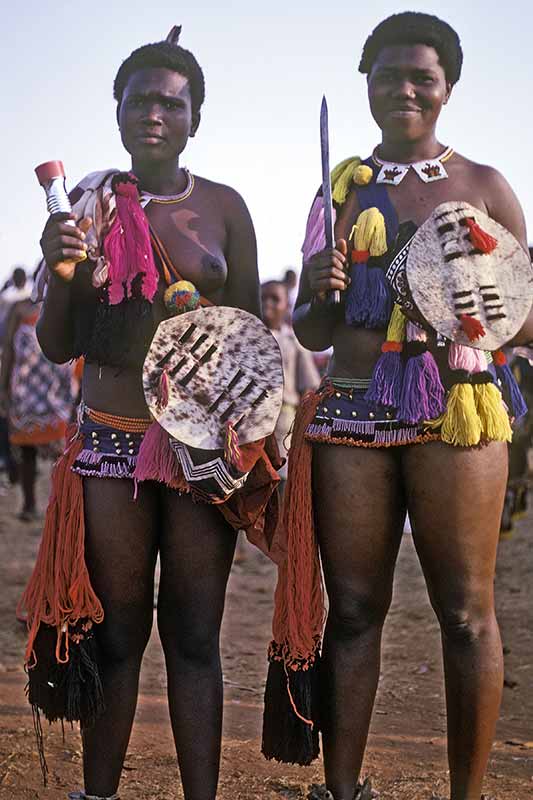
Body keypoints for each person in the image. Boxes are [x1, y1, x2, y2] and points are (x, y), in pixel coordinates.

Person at [262, 13, 533, 800]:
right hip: (351, 412)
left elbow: (530, 316)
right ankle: (340, 791)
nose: (404, 89)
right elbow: (313, 329)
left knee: (465, 615)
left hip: (459, 410)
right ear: (367, 85)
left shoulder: (482, 185)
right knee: (351, 611)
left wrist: (477, 300)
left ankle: (467, 794)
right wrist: (320, 286)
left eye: (422, 76)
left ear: (447, 87)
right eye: (387, 75)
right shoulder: (340, 188)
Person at [20, 28, 280, 800]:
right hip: (109, 441)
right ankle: (99, 796)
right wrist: (64, 269)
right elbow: (60, 340)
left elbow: (248, 344)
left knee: (195, 638)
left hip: (201, 445)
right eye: (141, 100)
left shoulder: (225, 209)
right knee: (121, 633)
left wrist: (245, 447)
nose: (155, 113)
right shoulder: (88, 204)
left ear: (195, 118)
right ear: (119, 111)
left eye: (173, 102)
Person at [0, 295, 74, 519]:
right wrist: (4, 388)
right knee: (27, 451)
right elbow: (9, 351)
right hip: (27, 394)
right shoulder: (19, 309)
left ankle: (60, 507)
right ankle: (30, 505)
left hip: (54, 395)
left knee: (60, 454)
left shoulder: (62, 305)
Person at [261, 280, 320, 488]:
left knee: (281, 477)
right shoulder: (248, 336)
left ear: (286, 305)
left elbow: (308, 386)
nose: (267, 303)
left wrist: (302, 425)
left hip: (284, 420)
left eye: (275, 299)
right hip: (253, 421)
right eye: (263, 297)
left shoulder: (293, 341)